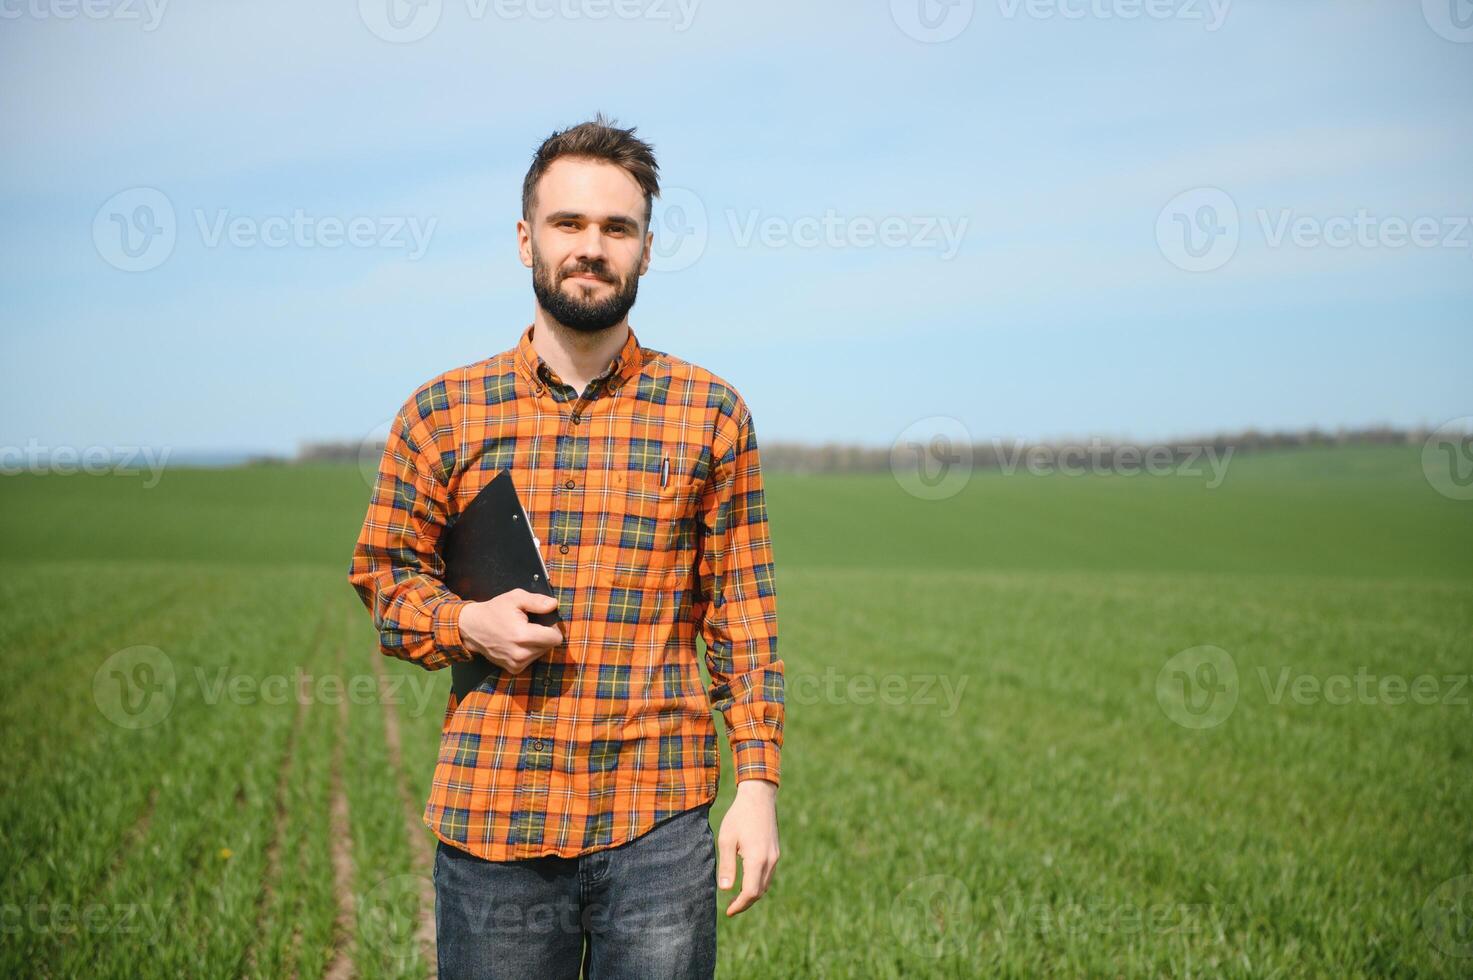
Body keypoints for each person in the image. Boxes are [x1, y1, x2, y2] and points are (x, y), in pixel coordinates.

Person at [347, 112, 784, 979]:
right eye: (568, 224)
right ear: (525, 239)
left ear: (646, 250)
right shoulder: (441, 413)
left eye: (617, 227)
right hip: (493, 824)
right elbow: (385, 582)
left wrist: (758, 787)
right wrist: (468, 624)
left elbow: (742, 614)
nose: (592, 246)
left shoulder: (710, 413)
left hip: (657, 827)